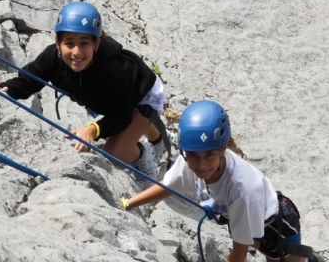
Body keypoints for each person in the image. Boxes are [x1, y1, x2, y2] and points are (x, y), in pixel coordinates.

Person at [0, 1, 167, 189]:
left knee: (114, 155)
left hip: (142, 95)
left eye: (84, 43)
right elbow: (29, 80)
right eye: (69, 43)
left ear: (96, 44)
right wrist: (6, 89)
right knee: (128, 124)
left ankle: (142, 153)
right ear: (58, 43)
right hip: (106, 99)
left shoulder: (115, 71)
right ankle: (158, 139)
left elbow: (121, 116)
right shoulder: (52, 57)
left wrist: (93, 129)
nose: (76, 52)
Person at [120, 100, 315, 262]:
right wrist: (129, 203)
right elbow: (167, 186)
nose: (201, 165)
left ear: (223, 149)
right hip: (257, 227)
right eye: (193, 156)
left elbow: (238, 255)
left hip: (279, 230)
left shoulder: (242, 189)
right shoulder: (189, 160)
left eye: (209, 155)